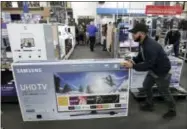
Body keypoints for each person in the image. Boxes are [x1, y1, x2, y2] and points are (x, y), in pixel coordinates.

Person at [123, 23, 176, 119]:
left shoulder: (150, 46)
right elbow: (141, 56)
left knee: (164, 91)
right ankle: (150, 104)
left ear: (142, 34)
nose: (132, 35)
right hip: (153, 69)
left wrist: (133, 66)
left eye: (134, 33)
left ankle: (172, 110)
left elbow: (148, 65)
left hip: (162, 71)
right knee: (146, 85)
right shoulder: (142, 43)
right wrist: (133, 60)